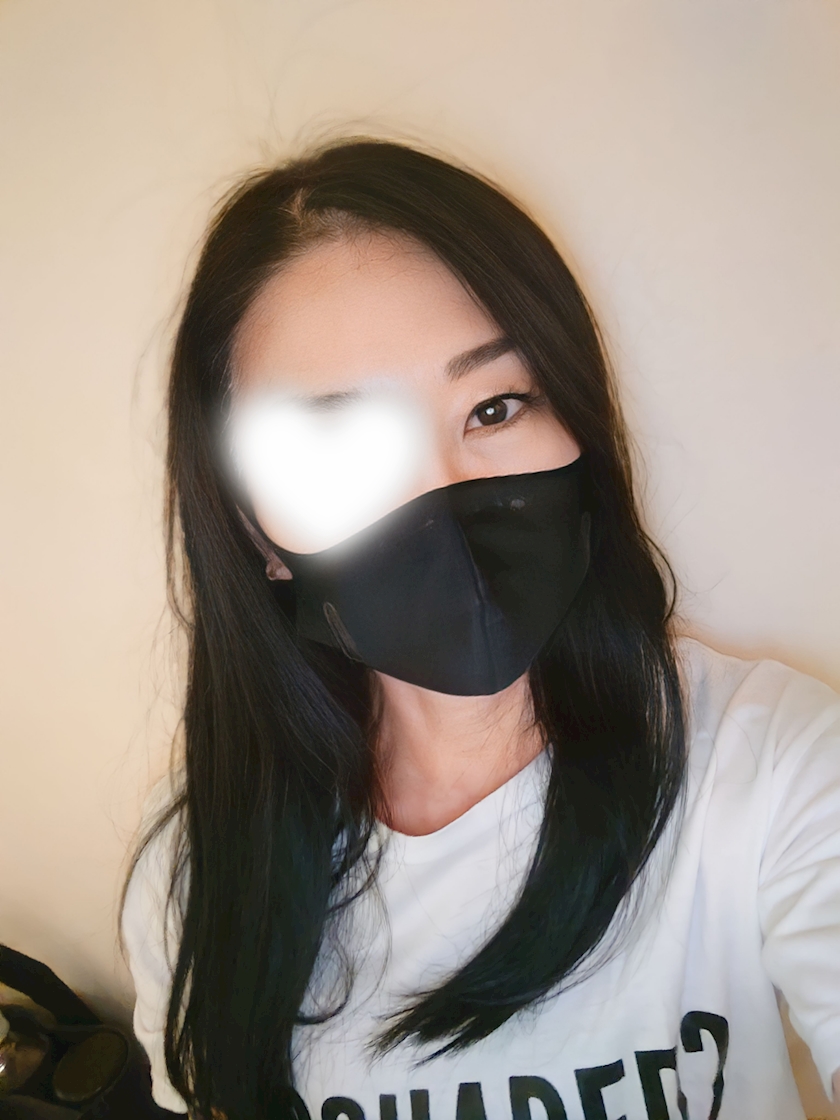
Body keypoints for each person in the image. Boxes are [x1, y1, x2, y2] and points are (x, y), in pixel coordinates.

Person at [120, 138, 840, 1120]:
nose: (443, 498)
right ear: (256, 531)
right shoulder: (199, 868)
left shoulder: (769, 767)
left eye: (495, 407)